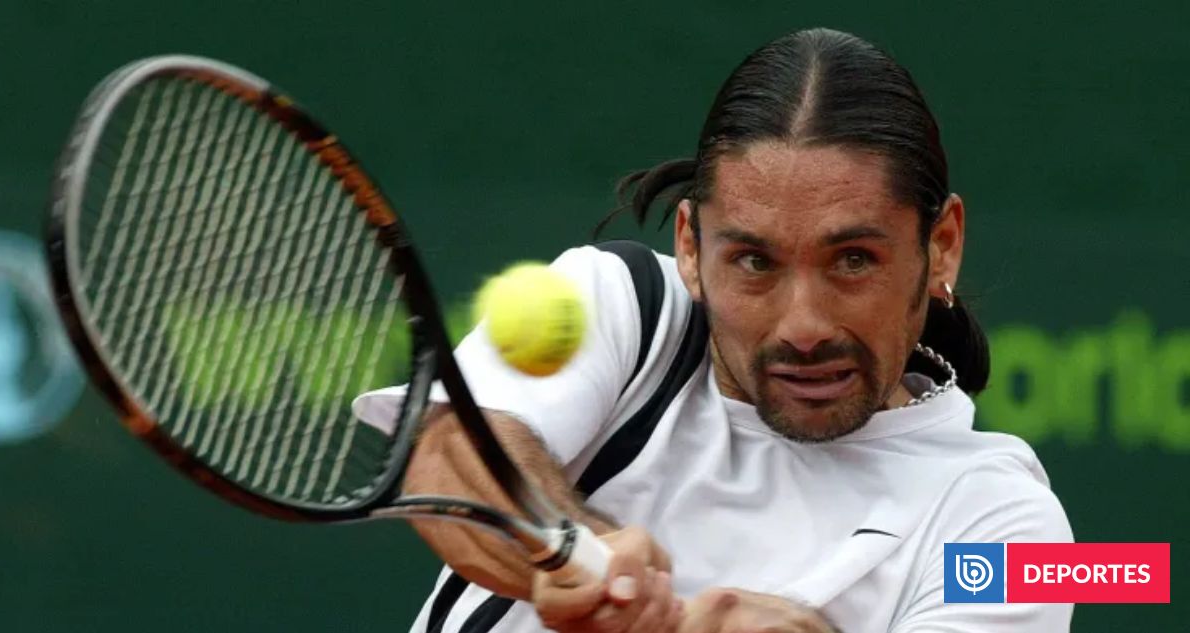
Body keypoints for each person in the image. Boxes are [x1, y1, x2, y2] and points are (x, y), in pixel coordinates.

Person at [354, 27, 1073, 633]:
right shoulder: (622, 301)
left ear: (941, 245)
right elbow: (451, 455)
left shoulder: (1009, 528)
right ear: (691, 249)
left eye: (853, 259)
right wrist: (578, 549)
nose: (803, 326)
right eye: (755, 261)